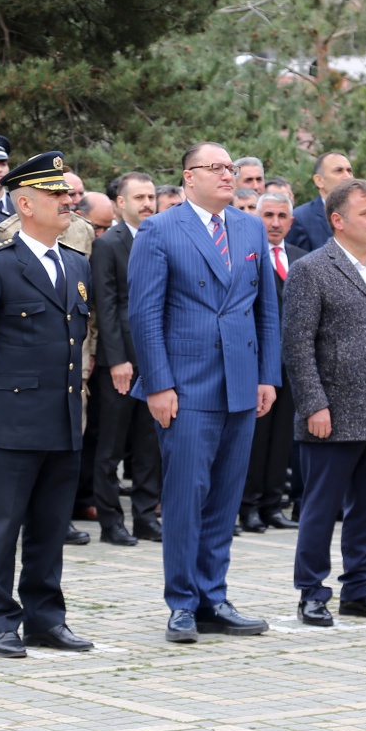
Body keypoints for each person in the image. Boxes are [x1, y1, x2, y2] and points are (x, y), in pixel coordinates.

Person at [129, 142, 281, 643]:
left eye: (231, 168)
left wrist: (267, 376)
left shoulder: (248, 226)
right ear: (188, 176)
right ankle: (182, 603)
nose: (227, 175)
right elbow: (145, 314)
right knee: (185, 495)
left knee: (224, 497)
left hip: (240, 379)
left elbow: (266, 310)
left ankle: (213, 596)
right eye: (215, 168)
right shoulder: (160, 228)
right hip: (187, 384)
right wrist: (159, 384)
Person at [0, 151, 93, 658]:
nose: (68, 202)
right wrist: (2, 387)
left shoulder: (75, 264)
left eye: (69, 194)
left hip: (63, 416)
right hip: (12, 417)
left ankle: (45, 618)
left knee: (51, 526)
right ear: (25, 203)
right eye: (57, 195)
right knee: (2, 527)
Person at [282, 179, 366, 626]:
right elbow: (297, 345)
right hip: (333, 413)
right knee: (321, 507)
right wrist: (313, 404)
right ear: (338, 221)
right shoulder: (312, 269)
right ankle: (312, 591)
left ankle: (358, 588)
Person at [91, 171, 162, 545]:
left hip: (157, 361)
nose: (147, 204)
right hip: (121, 363)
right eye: (139, 198)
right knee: (112, 446)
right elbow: (106, 305)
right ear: (120, 203)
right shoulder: (109, 244)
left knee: (149, 443)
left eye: (151, 197)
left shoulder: (164, 238)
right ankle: (110, 521)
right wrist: (118, 360)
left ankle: (147, 517)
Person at [240, 190, 304, 533]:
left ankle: (272, 504)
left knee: (283, 438)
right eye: (268, 215)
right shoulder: (246, 256)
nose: (275, 223)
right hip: (256, 362)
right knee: (256, 438)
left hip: (292, 365)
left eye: (282, 217)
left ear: (291, 222)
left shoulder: (302, 259)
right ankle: (247, 506)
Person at [284, 151, 353, 252]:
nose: (347, 176)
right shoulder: (301, 219)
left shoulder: (361, 215)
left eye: (349, 171)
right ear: (319, 180)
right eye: (338, 171)